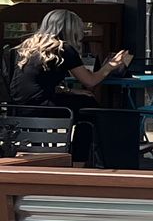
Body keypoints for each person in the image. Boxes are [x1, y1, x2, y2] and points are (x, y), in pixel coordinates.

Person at [9, 11, 131, 162]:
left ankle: (76, 158)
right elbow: (90, 81)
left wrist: (70, 91)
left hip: (19, 106)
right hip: (45, 107)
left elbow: (35, 83)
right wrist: (111, 66)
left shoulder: (28, 46)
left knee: (84, 102)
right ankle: (80, 161)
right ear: (70, 29)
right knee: (90, 110)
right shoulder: (63, 49)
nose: (82, 33)